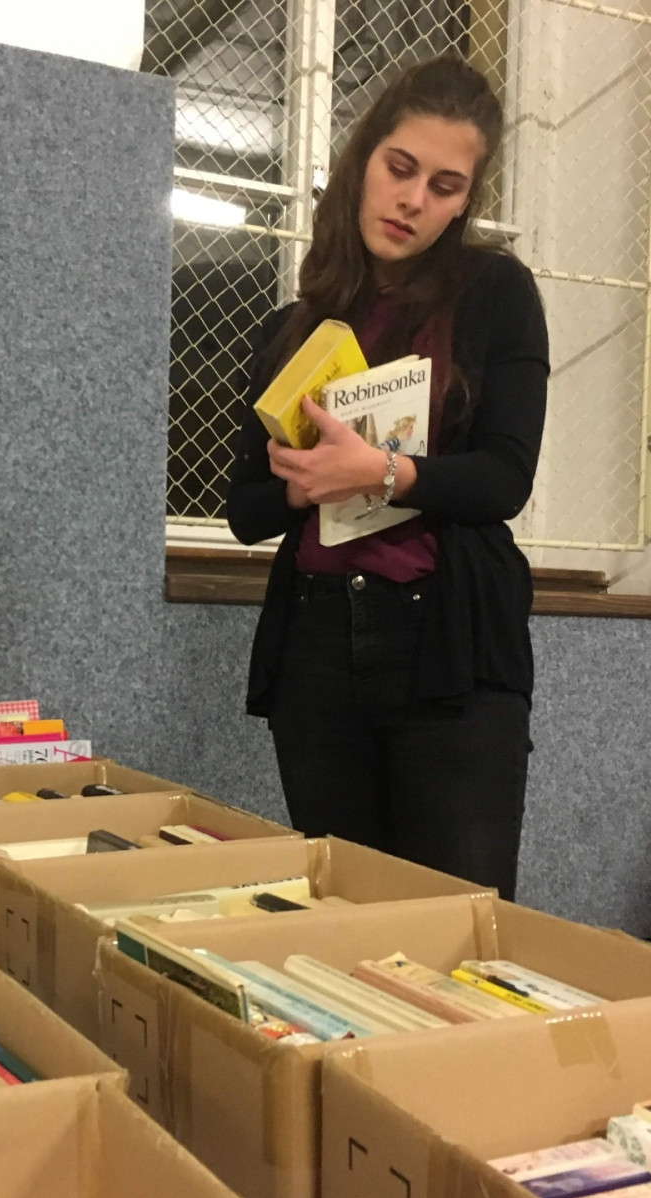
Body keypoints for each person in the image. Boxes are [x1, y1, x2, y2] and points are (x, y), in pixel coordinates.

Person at [225, 56, 549, 899]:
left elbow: (505, 478)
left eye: (445, 186)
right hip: (317, 647)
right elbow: (245, 510)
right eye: (400, 168)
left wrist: (380, 472)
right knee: (346, 916)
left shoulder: (497, 292)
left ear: (466, 201)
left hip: (449, 645)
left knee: (460, 922)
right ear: (363, 160)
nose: (413, 201)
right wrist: (304, 485)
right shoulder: (294, 324)